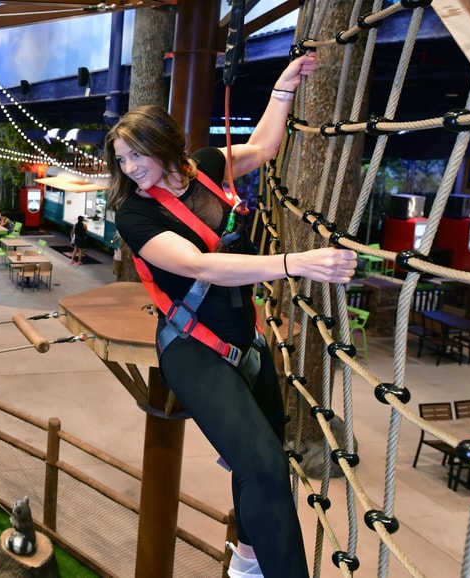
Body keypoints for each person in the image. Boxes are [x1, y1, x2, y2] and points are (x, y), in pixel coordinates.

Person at [107, 53, 355, 578]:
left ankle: (247, 557)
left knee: (263, 461)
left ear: (164, 145)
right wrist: (294, 263)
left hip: (247, 340)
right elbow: (201, 266)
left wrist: (283, 89)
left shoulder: (203, 168)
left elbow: (262, 147)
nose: (129, 169)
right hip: (194, 349)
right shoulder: (135, 213)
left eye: (136, 155)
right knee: (264, 465)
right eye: (122, 160)